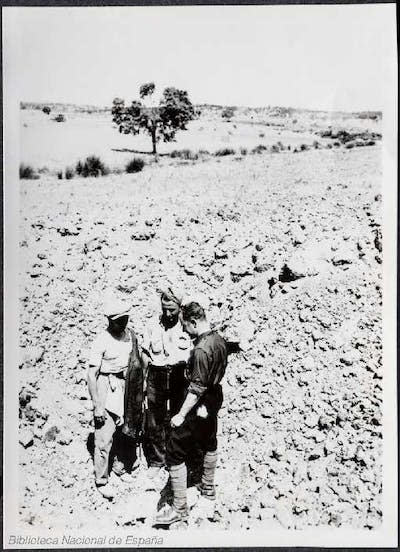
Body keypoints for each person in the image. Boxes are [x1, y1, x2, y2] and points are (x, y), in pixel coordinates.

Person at [155, 301, 228, 525]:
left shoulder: (200, 350)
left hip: (199, 404)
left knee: (175, 449)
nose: (184, 330)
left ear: (194, 322)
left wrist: (180, 415)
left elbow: (196, 389)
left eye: (185, 325)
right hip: (214, 398)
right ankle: (207, 490)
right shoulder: (219, 340)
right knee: (209, 441)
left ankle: (179, 509)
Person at [87, 294, 140, 499]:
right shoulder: (101, 340)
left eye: (125, 320)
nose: (123, 324)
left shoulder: (130, 336)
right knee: (104, 435)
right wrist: (97, 405)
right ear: (109, 320)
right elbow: (92, 375)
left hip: (127, 386)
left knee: (125, 431)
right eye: (118, 321)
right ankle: (102, 479)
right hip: (106, 386)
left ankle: (121, 467)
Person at [141, 287, 191, 483]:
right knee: (154, 418)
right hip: (156, 374)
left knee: (180, 417)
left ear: (180, 307)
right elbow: (145, 353)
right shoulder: (153, 324)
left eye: (172, 309)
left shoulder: (186, 325)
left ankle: (177, 459)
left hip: (180, 375)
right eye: (165, 309)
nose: (168, 314)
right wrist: (145, 380)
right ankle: (156, 460)